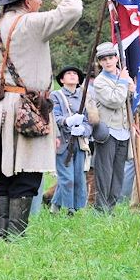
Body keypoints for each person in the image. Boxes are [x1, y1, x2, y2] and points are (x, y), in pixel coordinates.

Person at [0, 0, 82, 240]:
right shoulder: (32, 24)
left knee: (5, 175)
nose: (41, 1)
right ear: (27, 1)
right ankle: (15, 238)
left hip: (0, 109)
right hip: (30, 109)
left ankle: (3, 236)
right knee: (27, 175)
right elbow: (74, 7)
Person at [91, 42, 133, 213]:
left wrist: (133, 89)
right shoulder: (100, 81)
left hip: (124, 131)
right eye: (104, 59)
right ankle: (101, 210)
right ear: (100, 62)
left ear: (117, 58)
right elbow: (115, 101)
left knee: (118, 174)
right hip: (108, 132)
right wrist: (124, 82)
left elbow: (137, 105)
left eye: (111, 58)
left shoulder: (124, 77)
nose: (108, 62)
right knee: (104, 173)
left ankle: (111, 207)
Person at [50, 65, 91, 215]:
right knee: (67, 178)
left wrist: (83, 130)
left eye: (75, 74)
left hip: (79, 143)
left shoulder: (83, 97)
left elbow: (89, 122)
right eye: (68, 74)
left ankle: (55, 206)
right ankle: (70, 209)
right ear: (62, 79)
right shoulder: (56, 95)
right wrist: (68, 121)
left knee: (78, 177)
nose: (73, 76)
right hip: (62, 142)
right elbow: (54, 117)